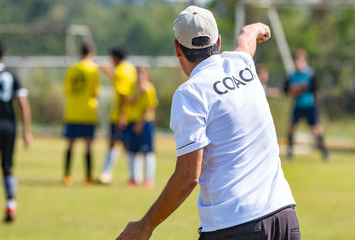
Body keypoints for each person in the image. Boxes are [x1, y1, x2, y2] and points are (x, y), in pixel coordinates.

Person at [117, 5, 300, 240]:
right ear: (219, 41)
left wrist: (145, 226)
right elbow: (246, 38)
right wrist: (257, 28)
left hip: (234, 226)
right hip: (284, 217)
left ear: (177, 48)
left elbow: (187, 176)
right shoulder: (243, 64)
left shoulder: (190, 94)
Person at [0, 39, 32, 222]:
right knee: (7, 167)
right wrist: (27, 130)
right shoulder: (11, 74)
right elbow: (23, 104)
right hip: (9, 127)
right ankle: (11, 205)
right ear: (4, 54)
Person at [63, 42, 100, 186]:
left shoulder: (72, 68)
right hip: (87, 112)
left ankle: (67, 175)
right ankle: (88, 176)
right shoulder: (93, 69)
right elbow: (96, 91)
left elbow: (66, 90)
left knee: (70, 144)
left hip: (72, 111)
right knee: (88, 145)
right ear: (91, 52)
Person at [98, 48, 137, 184]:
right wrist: (110, 74)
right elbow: (122, 84)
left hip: (120, 115)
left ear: (115, 57)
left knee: (114, 143)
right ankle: (134, 176)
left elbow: (122, 94)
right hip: (132, 113)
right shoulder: (129, 68)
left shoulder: (120, 71)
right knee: (128, 145)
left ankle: (106, 174)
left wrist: (121, 116)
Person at [284, 49, 329, 161]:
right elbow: (286, 90)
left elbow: (315, 88)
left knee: (316, 128)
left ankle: (325, 152)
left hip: (310, 105)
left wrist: (302, 89)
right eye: (296, 60)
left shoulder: (310, 73)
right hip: (298, 106)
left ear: (305, 60)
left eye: (300, 60)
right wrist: (293, 91)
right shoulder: (292, 75)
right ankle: (289, 154)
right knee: (291, 128)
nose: (298, 62)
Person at [125, 66, 158, 188]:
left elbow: (149, 107)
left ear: (147, 75)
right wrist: (138, 92)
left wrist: (140, 123)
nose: (139, 76)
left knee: (147, 151)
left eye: (142, 74)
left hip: (145, 122)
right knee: (133, 151)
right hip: (132, 121)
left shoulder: (149, 88)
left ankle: (149, 179)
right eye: (137, 74)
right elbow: (129, 102)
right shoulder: (133, 87)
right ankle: (135, 178)